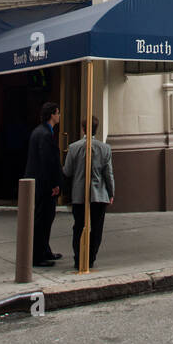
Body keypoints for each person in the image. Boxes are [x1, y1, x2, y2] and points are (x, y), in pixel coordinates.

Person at [61, 115, 115, 270]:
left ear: (83, 128)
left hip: (79, 194)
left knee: (78, 226)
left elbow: (67, 171)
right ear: (96, 129)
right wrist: (111, 193)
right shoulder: (105, 148)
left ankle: (79, 259)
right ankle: (90, 258)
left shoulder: (73, 147)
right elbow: (108, 174)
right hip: (99, 194)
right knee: (96, 228)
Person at [25, 102, 65, 267]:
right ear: (52, 115)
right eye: (58, 113)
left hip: (41, 184)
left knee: (45, 219)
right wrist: (54, 184)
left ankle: (45, 250)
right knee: (43, 220)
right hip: (44, 186)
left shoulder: (40, 132)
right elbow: (47, 162)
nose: (60, 115)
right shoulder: (45, 135)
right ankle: (37, 256)